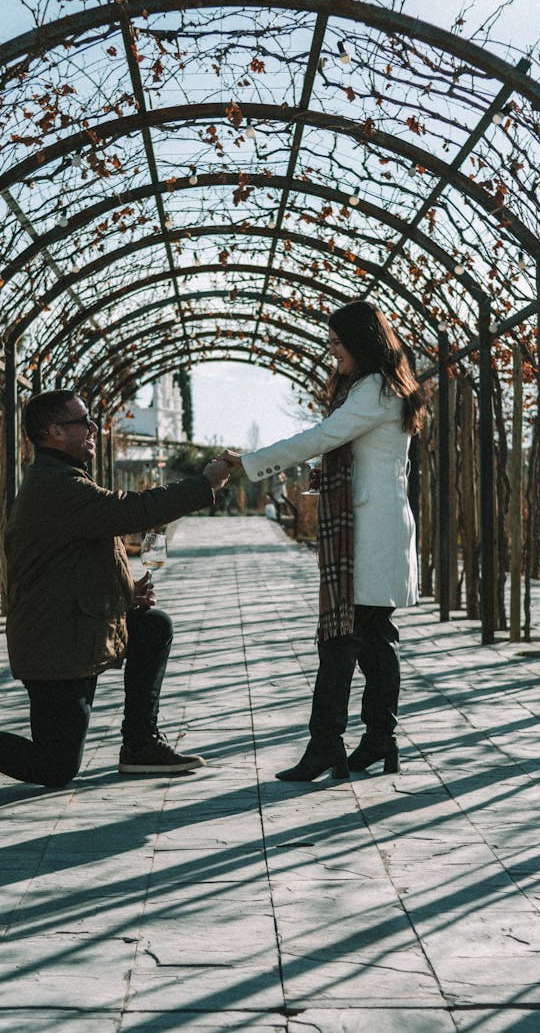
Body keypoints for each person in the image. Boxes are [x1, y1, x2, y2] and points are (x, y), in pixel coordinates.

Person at [0, 388, 230, 792]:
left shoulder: (65, 479)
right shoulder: (57, 486)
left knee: (151, 625)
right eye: (84, 421)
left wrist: (127, 591)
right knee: (54, 766)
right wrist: (205, 483)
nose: (93, 428)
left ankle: (140, 745)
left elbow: (71, 562)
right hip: (55, 641)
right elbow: (132, 511)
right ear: (55, 431)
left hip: (76, 624)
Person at [222, 301, 425, 782]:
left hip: (370, 531)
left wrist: (248, 463)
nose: (332, 352)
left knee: (343, 642)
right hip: (373, 527)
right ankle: (377, 740)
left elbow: (323, 437)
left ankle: (328, 746)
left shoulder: (376, 388)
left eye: (337, 344)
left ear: (361, 342)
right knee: (373, 640)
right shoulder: (380, 385)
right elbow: (346, 448)